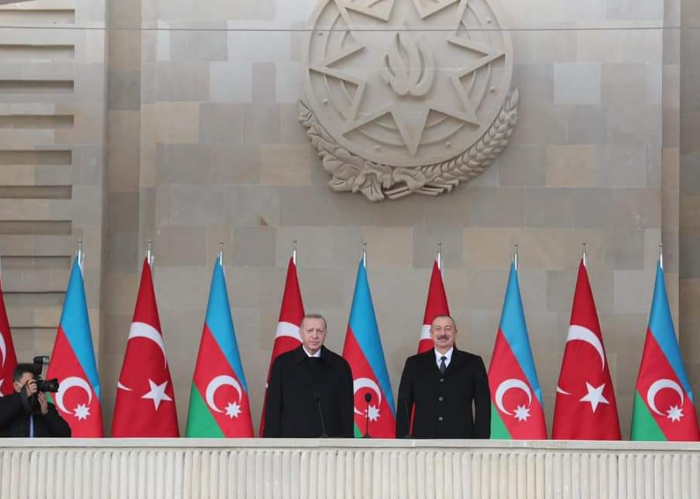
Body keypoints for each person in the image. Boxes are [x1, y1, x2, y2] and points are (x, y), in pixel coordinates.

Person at [396, 315, 490, 439]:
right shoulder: (414, 363)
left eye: (448, 328)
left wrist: (481, 443)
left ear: (455, 333)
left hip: (462, 441)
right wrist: (402, 441)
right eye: (438, 329)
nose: (443, 333)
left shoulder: (473, 363)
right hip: (423, 441)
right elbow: (404, 404)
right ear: (431, 333)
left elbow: (483, 405)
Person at [263, 314, 354, 438]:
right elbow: (273, 409)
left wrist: (348, 446)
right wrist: (271, 445)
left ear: (325, 334)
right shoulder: (283, 364)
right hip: (291, 446)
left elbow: (346, 411)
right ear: (301, 333)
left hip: (330, 446)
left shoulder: (340, 366)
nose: (315, 336)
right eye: (310, 330)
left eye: (319, 331)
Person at [0, 363, 71, 438]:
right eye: (29, 383)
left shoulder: (45, 406)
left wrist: (47, 413)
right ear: (16, 386)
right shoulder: (6, 403)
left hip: (41, 449)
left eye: (35, 383)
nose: (33, 387)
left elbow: (65, 435)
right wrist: (23, 396)